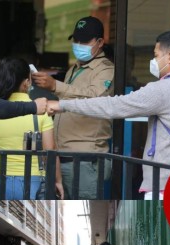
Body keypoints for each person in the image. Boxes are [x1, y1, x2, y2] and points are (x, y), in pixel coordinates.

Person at [45, 30, 170, 200]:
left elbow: (112, 105)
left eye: (156, 55)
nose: (153, 61)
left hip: (164, 184)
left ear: (169, 56)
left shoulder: (164, 89)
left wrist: (62, 104)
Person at [32, 16, 115, 199]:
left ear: (100, 42)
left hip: (85, 161)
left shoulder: (106, 69)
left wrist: (55, 86)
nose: (78, 45)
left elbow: (94, 98)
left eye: (84, 41)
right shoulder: (74, 68)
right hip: (62, 159)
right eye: (76, 40)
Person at [0, 58, 64, 200]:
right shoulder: (40, 111)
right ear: (27, 82)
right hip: (33, 181)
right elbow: (50, 152)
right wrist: (57, 181)